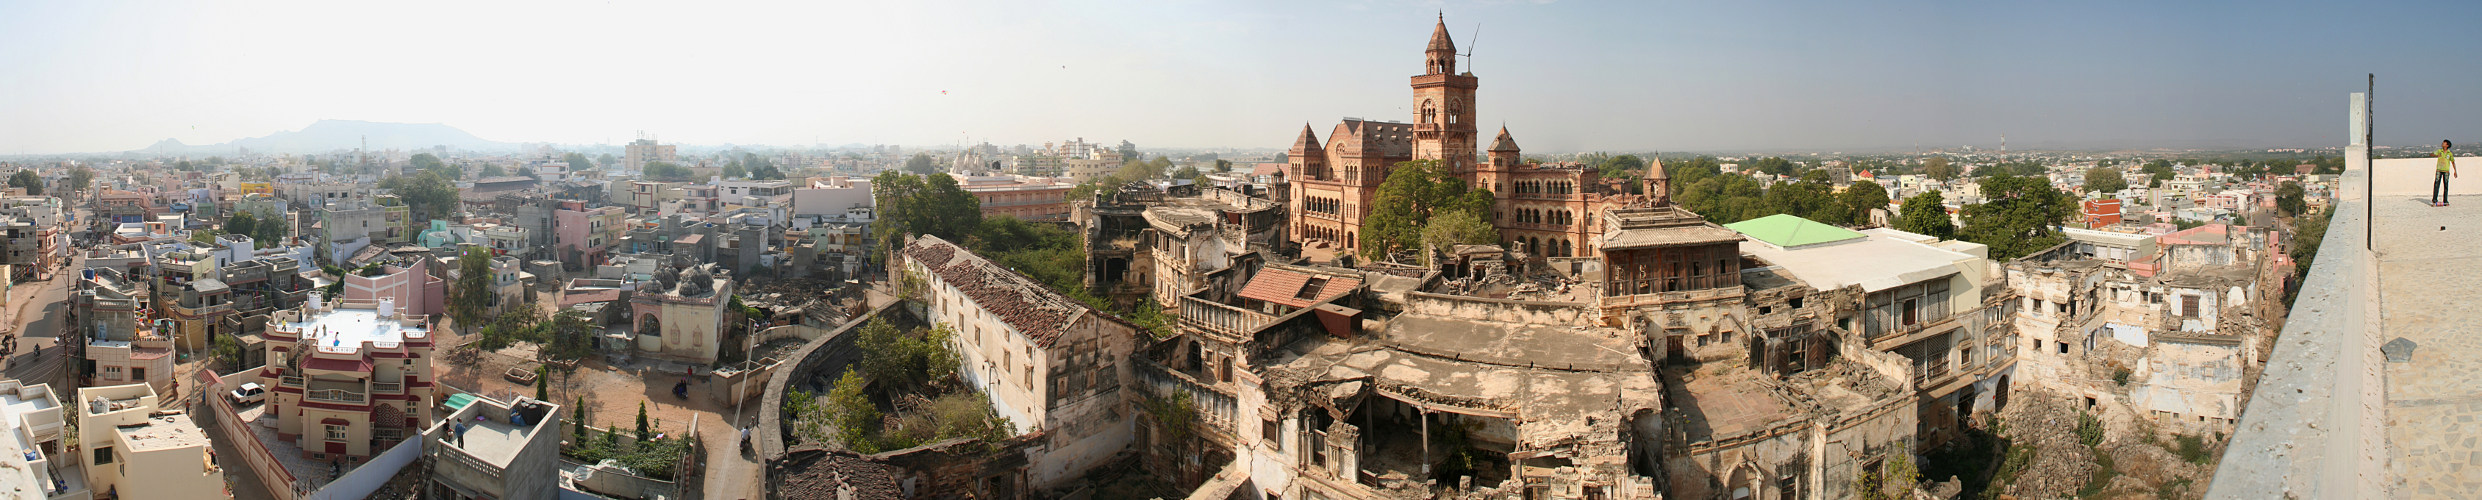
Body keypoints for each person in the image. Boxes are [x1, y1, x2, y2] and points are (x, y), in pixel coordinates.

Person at [2438, 140, 2459, 206]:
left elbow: (2453, 162)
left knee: (2446, 185)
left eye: (2444, 143)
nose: (2442, 143)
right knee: (2436, 185)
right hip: (2439, 170)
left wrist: (2455, 171)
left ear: (2447, 145)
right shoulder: (2439, 151)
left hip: (2446, 171)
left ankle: (2445, 201)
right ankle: (2434, 200)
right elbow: (2433, 154)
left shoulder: (2449, 153)